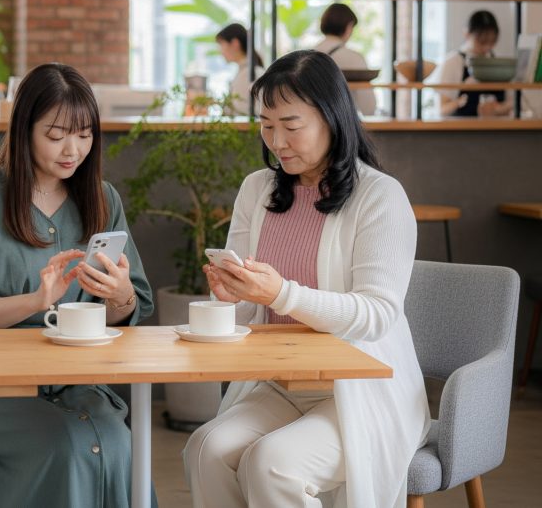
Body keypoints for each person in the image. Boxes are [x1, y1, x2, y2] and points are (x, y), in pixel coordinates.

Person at [182, 50, 430, 508]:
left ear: (331, 118)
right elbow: (248, 312)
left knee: (271, 464)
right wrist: (230, 296)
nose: (277, 140)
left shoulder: (380, 197)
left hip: (358, 392)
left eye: (291, 126)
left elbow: (376, 314)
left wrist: (281, 293)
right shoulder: (257, 190)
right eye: (266, 124)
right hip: (279, 384)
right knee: (205, 449)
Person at [0, 62, 156, 508]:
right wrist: (36, 300)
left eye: (85, 134)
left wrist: (119, 295)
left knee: (116, 444)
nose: (73, 149)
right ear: (24, 130)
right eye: (56, 135)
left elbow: (131, 308)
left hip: (75, 380)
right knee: (66, 445)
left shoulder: (102, 198)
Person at [433, 10, 512, 117]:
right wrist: (461, 99)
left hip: (496, 131)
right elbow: (441, 110)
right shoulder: (453, 62)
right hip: (463, 131)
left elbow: (508, 105)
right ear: (467, 33)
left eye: (492, 42)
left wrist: (498, 109)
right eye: (482, 42)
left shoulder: (497, 62)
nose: (487, 47)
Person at [312, 3, 377, 116]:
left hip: (314, 123)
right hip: (344, 124)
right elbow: (369, 107)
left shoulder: (307, 57)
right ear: (349, 26)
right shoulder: (355, 58)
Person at [216, 23, 264, 116]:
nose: (220, 51)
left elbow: (245, 111)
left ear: (235, 43)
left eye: (221, 45)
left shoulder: (250, 73)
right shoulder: (247, 71)